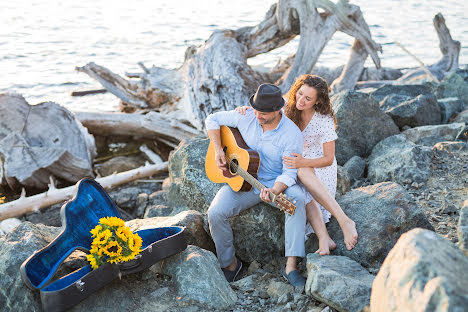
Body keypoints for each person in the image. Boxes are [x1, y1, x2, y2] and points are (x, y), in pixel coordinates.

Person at [236, 74, 358, 255]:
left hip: (318, 165)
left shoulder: (323, 121)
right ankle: (325, 238)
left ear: (317, 101)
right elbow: (266, 111)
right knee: (298, 180)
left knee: (301, 173)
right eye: (299, 94)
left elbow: (329, 159)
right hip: (294, 162)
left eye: (308, 98)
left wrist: (303, 162)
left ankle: (344, 220)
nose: (301, 100)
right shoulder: (287, 106)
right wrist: (249, 110)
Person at [205, 83, 307, 286]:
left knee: (297, 200)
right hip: (242, 180)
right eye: (256, 110)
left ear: (277, 110)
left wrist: (275, 190)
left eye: (263, 114)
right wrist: (218, 150)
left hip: (272, 182)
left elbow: (289, 172)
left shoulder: (291, 134)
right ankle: (231, 265)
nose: (258, 116)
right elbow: (212, 119)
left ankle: (291, 268)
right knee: (215, 213)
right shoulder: (247, 115)